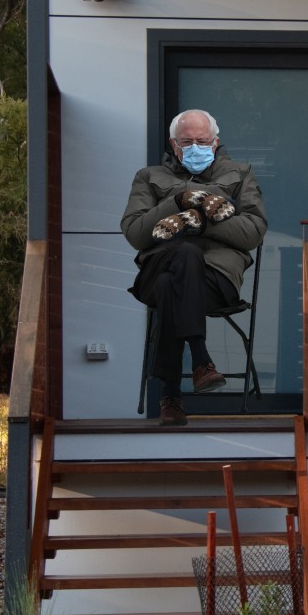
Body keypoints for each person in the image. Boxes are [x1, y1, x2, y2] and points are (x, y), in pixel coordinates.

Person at [122, 109, 267, 425]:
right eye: (187, 142)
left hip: (215, 279)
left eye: (202, 141)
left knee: (171, 285)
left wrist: (199, 223)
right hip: (157, 268)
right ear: (174, 145)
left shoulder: (240, 173)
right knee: (181, 259)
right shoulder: (148, 177)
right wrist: (177, 201)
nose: (195, 147)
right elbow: (135, 234)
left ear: (215, 142)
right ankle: (201, 359)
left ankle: (170, 397)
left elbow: (253, 232)